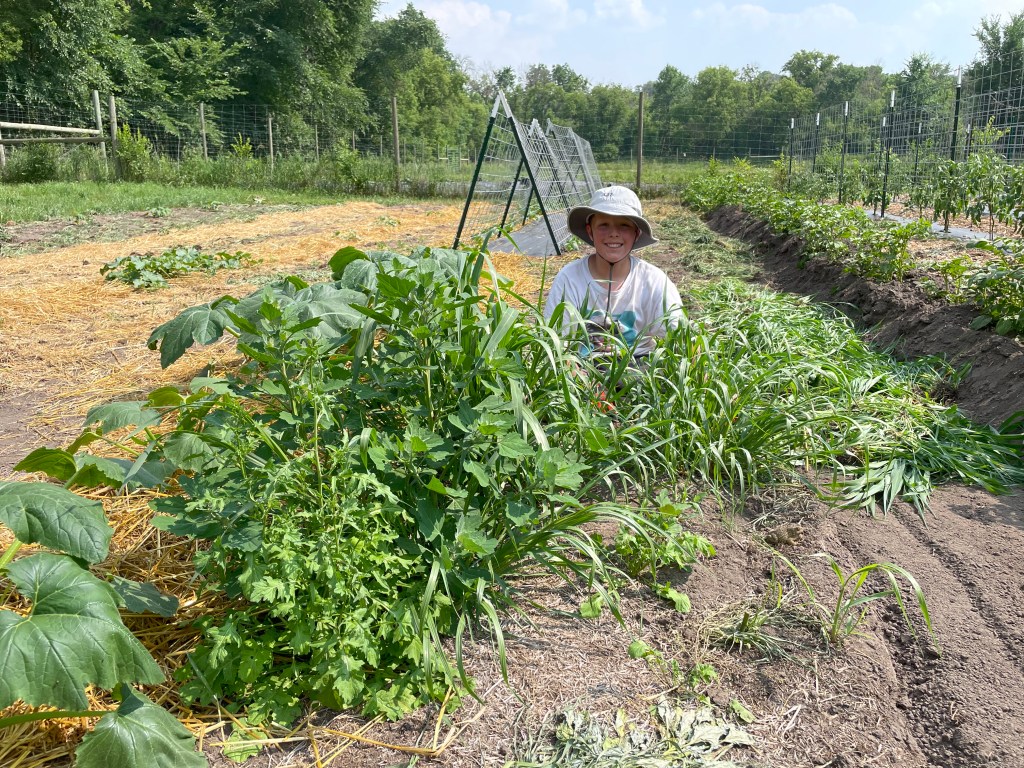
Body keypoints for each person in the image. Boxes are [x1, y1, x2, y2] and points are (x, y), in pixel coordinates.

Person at [543, 185, 683, 361]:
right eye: (603, 225)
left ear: (636, 233)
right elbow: (555, 341)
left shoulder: (654, 281)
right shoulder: (570, 278)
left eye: (624, 225)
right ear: (590, 231)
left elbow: (679, 333)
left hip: (638, 364)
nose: (613, 234)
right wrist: (571, 369)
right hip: (584, 366)